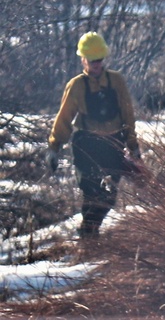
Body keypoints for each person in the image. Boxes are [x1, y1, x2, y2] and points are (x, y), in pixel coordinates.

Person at [46, 32, 142, 239]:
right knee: (91, 191)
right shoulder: (77, 85)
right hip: (87, 145)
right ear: (83, 60)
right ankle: (89, 236)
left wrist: (133, 145)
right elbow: (64, 118)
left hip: (113, 143)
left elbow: (128, 113)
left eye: (99, 60)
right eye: (92, 60)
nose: (96, 64)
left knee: (108, 197)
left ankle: (89, 231)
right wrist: (54, 147)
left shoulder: (116, 81)